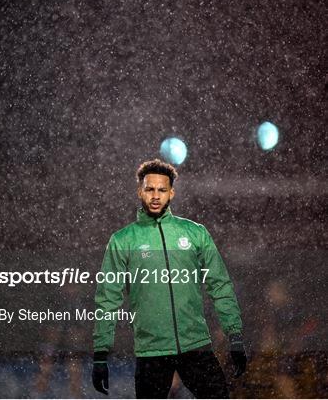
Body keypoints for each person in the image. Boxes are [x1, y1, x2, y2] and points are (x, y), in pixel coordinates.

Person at [92, 159, 247, 398]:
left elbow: (220, 284)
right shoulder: (123, 240)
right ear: (140, 191)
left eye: (162, 190)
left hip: (195, 345)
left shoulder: (195, 233)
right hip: (151, 351)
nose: (156, 195)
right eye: (150, 189)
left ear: (171, 193)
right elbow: (108, 298)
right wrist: (100, 354)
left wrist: (234, 336)